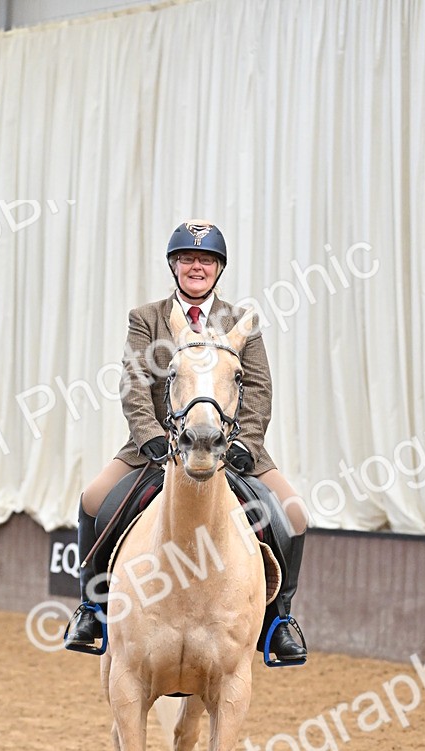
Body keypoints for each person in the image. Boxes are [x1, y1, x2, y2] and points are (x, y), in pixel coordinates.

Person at [65, 220, 308, 663]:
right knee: (93, 499)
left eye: (206, 260)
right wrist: (151, 437)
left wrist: (245, 444)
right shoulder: (147, 319)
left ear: (219, 268)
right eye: (188, 259)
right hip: (159, 446)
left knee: (294, 513)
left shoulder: (240, 322)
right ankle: (90, 608)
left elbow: (258, 389)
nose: (197, 267)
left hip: (232, 448)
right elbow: (135, 383)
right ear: (174, 265)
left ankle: (280, 620)